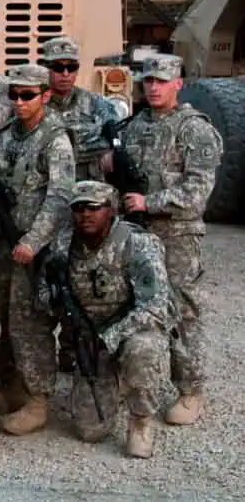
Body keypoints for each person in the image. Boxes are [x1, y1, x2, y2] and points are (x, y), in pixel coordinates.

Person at [0, 64, 75, 431]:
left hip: (31, 248)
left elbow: (59, 198)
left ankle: (38, 399)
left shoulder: (54, 139)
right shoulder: (6, 136)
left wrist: (32, 242)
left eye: (27, 95)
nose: (19, 102)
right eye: (13, 95)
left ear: (44, 96)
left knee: (30, 323)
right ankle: (5, 387)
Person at [118, 54, 222, 426]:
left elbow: (198, 189)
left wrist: (152, 202)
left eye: (162, 81)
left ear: (178, 83)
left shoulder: (195, 129)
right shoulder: (133, 126)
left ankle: (190, 390)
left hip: (176, 235)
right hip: (138, 234)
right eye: (148, 81)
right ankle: (135, 383)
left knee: (180, 311)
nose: (154, 87)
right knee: (132, 305)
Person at [35, 181, 174, 458]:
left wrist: (109, 338)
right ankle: (116, 381)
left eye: (94, 208)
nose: (85, 214)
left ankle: (140, 421)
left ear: (110, 210)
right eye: (78, 208)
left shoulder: (137, 243)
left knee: (143, 350)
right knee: (91, 431)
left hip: (131, 330)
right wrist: (56, 299)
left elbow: (156, 307)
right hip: (90, 336)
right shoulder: (63, 243)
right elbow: (41, 292)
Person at [40, 36, 119, 181]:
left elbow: (115, 136)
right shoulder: (34, 104)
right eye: (58, 68)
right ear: (46, 69)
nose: (65, 74)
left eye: (71, 68)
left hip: (86, 187)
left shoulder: (95, 103)